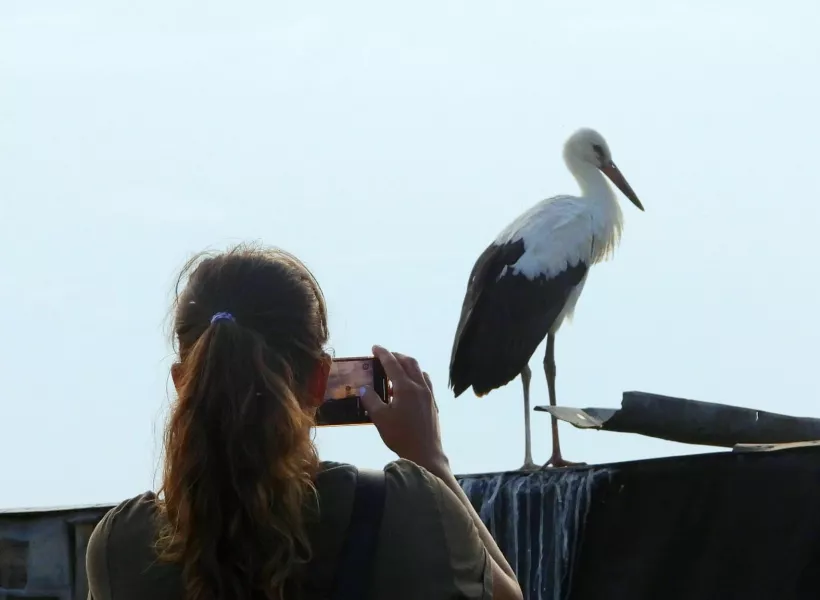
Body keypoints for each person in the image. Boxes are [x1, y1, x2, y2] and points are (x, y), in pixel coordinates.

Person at [85, 244, 523, 600]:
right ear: (319, 380)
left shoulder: (121, 547)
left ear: (184, 383)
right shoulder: (406, 509)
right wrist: (430, 460)